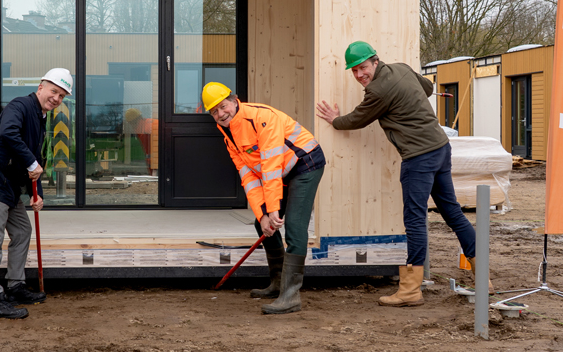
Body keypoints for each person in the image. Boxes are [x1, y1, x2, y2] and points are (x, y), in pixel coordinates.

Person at [315, 41, 480, 307]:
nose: (359, 75)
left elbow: (358, 119)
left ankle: (410, 290)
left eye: (363, 68)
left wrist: (335, 119)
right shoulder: (401, 69)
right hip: (439, 147)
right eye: (354, 71)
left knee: (414, 220)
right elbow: (427, 87)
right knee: (452, 212)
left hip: (418, 157)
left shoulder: (378, 90)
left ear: (375, 62)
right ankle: (484, 276)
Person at [202, 82, 325, 315]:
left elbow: (270, 167)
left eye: (223, 106)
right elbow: (249, 177)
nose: (220, 114)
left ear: (235, 100)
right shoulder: (228, 136)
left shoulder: (261, 118)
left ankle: (290, 296)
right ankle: (278, 283)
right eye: (214, 111)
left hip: (305, 164)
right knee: (262, 224)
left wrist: (274, 208)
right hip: (280, 172)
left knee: (295, 226)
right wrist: (264, 213)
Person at [0, 67, 74, 320]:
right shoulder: (19, 106)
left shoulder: (40, 117)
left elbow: (35, 160)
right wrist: (31, 164)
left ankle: (15, 286)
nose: (56, 99)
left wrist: (34, 194)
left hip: (10, 187)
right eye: (53, 91)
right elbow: (8, 134)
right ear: (41, 86)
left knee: (22, 231)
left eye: (61, 95)